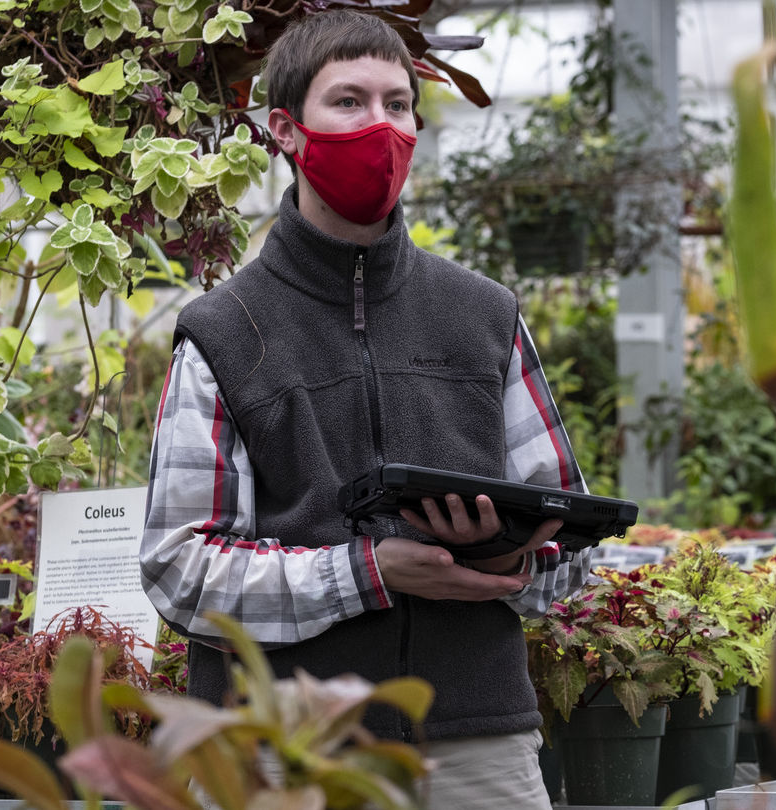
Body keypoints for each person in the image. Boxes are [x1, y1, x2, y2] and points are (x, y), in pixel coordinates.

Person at [139, 10, 592, 808]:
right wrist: (367, 571)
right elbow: (181, 567)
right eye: (348, 102)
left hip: (473, 747)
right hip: (278, 750)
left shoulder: (482, 315)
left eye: (397, 103)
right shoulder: (225, 331)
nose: (380, 126)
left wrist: (503, 563)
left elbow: (575, 546)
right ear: (286, 129)